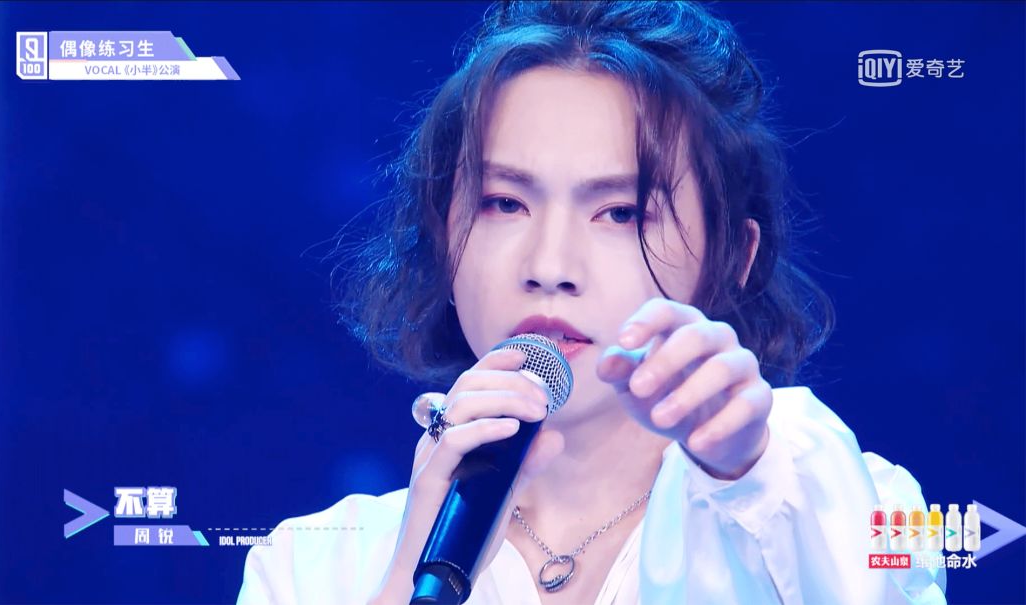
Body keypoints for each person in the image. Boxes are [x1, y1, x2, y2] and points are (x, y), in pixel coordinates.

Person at [237, 1, 947, 603]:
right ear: (441, 232)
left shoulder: (859, 506)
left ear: (734, 258)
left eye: (620, 213)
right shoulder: (311, 565)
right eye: (504, 202)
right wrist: (412, 574)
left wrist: (749, 469)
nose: (549, 267)